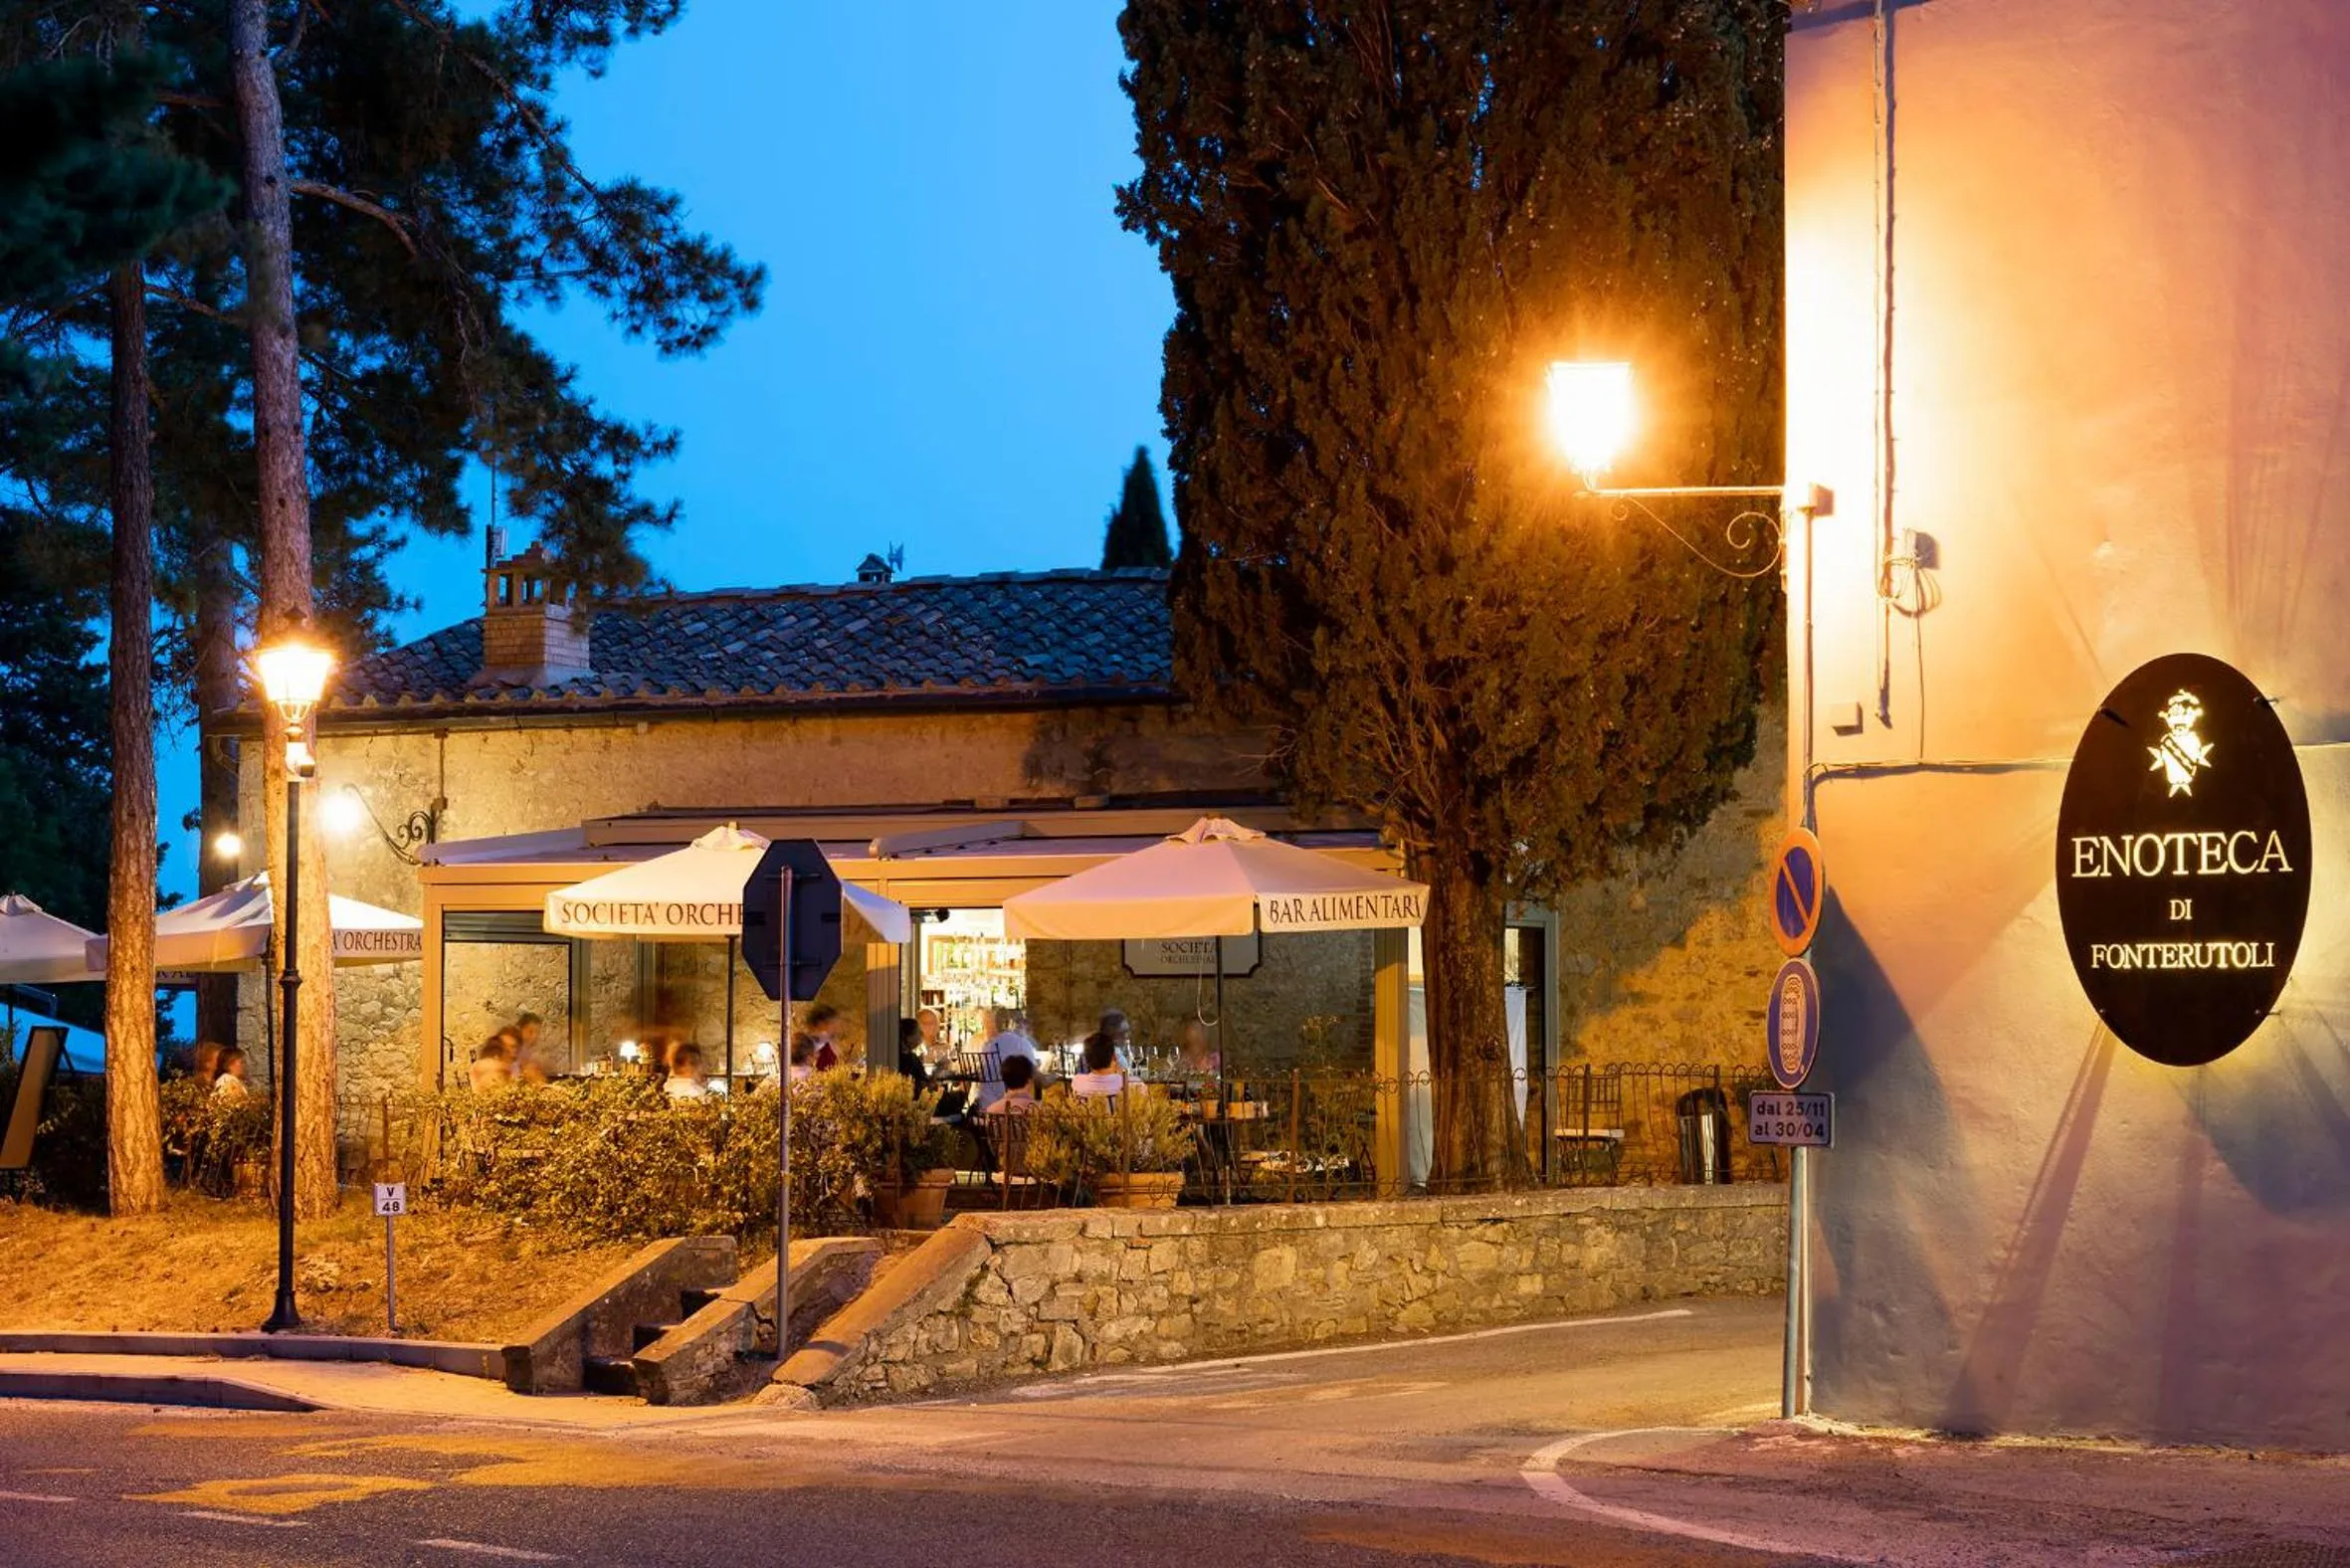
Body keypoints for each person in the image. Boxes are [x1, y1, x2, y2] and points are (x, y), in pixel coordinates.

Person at [973, 1007, 1041, 1112]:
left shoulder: (987, 1045)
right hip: (1014, 1110)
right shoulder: (1021, 1043)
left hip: (986, 1108)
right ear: (1010, 1023)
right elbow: (1036, 1075)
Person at [1071, 1034, 1126, 1100]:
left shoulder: (1077, 1081)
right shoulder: (1124, 1084)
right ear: (1113, 1057)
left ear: (1086, 1059)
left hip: (1087, 1111)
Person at [1083, 1009, 1134, 1074]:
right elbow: (1127, 1075)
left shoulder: (1093, 1053)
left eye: (1127, 1031)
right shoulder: (1113, 1057)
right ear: (1112, 1033)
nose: (1127, 1036)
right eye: (1123, 1033)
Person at [512, 1012, 552, 1081]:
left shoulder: (526, 1050)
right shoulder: (514, 1048)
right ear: (520, 1029)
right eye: (530, 1032)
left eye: (537, 1032)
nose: (534, 1036)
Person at [895, 1018, 931, 1090]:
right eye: (919, 1032)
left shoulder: (908, 1056)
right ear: (909, 1037)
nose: (922, 1034)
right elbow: (923, 1086)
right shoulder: (907, 1059)